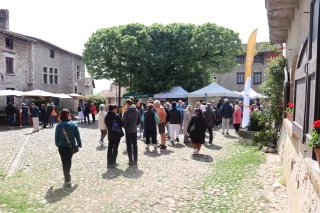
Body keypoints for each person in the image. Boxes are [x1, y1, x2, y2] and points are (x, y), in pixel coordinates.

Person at [55, 109, 82, 188]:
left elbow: (57, 137)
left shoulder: (59, 126)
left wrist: (57, 144)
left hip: (62, 147)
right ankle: (68, 178)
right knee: (69, 161)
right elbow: (77, 136)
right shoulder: (73, 125)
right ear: (68, 115)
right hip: (71, 147)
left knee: (64, 163)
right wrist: (79, 144)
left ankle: (67, 180)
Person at [122, 99, 141, 166]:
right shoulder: (136, 111)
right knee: (135, 145)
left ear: (127, 104)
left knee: (129, 146)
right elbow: (139, 120)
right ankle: (135, 160)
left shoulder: (126, 112)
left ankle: (130, 160)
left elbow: (124, 122)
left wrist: (126, 127)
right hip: (134, 130)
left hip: (128, 131)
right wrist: (135, 125)